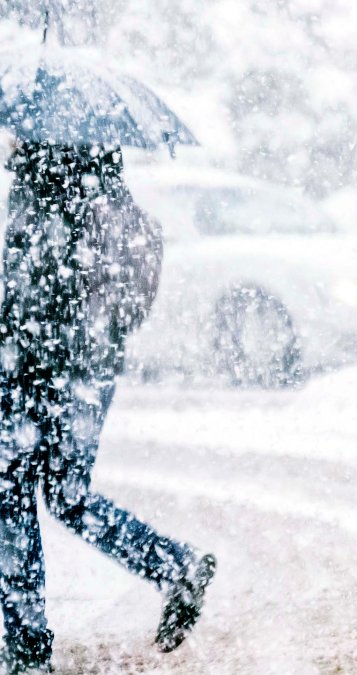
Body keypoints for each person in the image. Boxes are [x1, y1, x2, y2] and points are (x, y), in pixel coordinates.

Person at [0, 142, 217, 673]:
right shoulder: (113, 197)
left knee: (9, 496)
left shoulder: (43, 192)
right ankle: (175, 565)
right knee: (68, 495)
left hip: (32, 365)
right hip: (90, 371)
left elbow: (24, 293)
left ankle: (27, 646)